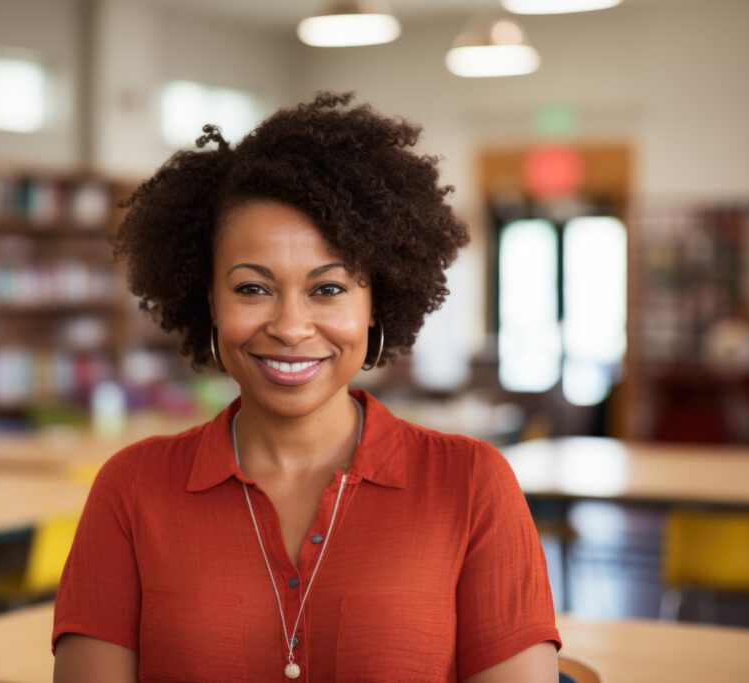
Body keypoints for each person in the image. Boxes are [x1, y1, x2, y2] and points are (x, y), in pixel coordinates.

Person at [53, 92, 561, 682]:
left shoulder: (471, 486)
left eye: (328, 289)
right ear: (206, 300)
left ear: (377, 306)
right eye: (251, 289)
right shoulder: (132, 490)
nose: (291, 326)